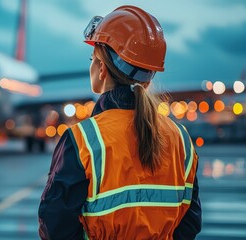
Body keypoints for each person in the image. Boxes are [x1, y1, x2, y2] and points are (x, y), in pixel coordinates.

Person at [38, 5, 202, 240]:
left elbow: (54, 227)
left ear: (102, 69)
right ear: (148, 78)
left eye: (92, 58)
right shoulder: (181, 139)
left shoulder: (83, 140)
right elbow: (190, 222)